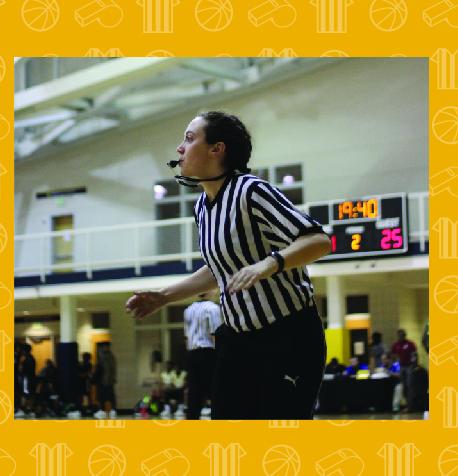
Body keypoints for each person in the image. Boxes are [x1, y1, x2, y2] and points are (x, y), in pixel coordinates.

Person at [126, 111, 331, 419]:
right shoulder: (201, 208)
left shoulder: (251, 191)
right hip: (237, 340)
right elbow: (219, 268)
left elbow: (318, 240)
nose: (180, 148)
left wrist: (268, 264)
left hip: (288, 336)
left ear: (216, 149)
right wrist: (164, 296)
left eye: (190, 138)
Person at [183, 291, 222, 419]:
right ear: (209, 291)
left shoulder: (188, 309)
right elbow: (215, 333)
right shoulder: (213, 308)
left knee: (194, 392)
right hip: (208, 352)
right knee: (215, 389)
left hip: (192, 353)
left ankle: (192, 423)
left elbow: (186, 336)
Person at [391, 329, 417, 410]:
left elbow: (414, 355)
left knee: (410, 385)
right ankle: (407, 403)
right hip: (401, 367)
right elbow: (393, 356)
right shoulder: (395, 345)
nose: (401, 337)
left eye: (402, 335)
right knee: (403, 386)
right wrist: (395, 365)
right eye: (399, 335)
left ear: (405, 335)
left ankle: (410, 405)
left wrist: (414, 365)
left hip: (409, 366)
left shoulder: (410, 344)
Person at [93, 342, 117, 419]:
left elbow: (100, 369)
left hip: (103, 380)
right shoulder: (112, 356)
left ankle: (102, 411)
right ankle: (112, 411)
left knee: (102, 397)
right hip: (110, 380)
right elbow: (113, 370)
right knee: (110, 396)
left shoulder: (102, 356)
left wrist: (94, 377)